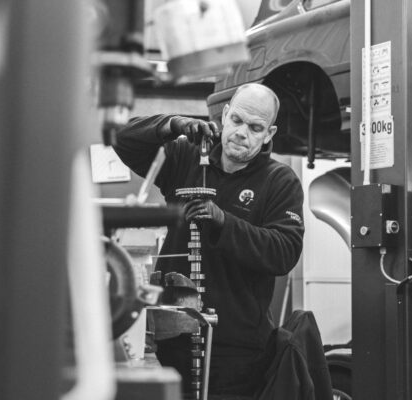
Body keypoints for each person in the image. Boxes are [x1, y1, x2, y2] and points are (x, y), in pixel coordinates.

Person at [113, 83, 305, 397]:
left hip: (237, 351)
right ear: (225, 115)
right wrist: (170, 125)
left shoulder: (279, 181)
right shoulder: (187, 156)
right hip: (173, 334)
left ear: (269, 134)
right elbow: (122, 139)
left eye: (256, 128)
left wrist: (223, 222)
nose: (243, 133)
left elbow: (284, 252)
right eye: (238, 121)